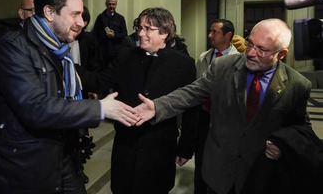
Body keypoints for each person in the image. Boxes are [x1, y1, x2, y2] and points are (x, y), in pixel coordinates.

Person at [0, 0, 138, 194]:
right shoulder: (13, 48)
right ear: (49, 12)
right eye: (75, 14)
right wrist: (99, 109)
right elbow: (35, 108)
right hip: (23, 164)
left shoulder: (58, 51)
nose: (82, 23)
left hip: (61, 154)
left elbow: (88, 83)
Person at [135, 18, 315, 194]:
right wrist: (158, 107)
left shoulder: (298, 85)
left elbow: (301, 130)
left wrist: (282, 146)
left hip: (261, 176)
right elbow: (192, 92)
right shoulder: (223, 66)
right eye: (250, 44)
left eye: (261, 50)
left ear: (281, 54)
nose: (251, 53)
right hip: (219, 174)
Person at [77, 7, 198, 194]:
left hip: (160, 150)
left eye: (148, 29)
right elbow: (98, 81)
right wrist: (67, 65)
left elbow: (191, 109)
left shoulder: (184, 64)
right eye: (139, 27)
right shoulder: (126, 56)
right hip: (126, 148)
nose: (140, 33)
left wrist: (186, 147)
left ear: (165, 33)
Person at [194, 19, 239, 194]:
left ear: (228, 35)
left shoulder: (238, 60)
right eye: (210, 31)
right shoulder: (204, 57)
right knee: (201, 158)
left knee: (221, 162)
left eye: (214, 32)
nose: (209, 35)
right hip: (204, 116)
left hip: (224, 121)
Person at [91, 0, 128, 66]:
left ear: (116, 5)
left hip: (115, 52)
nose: (111, 6)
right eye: (109, 4)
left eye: (113, 4)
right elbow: (95, 33)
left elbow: (125, 34)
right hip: (102, 52)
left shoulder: (120, 18)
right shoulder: (100, 17)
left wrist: (114, 35)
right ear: (106, 4)